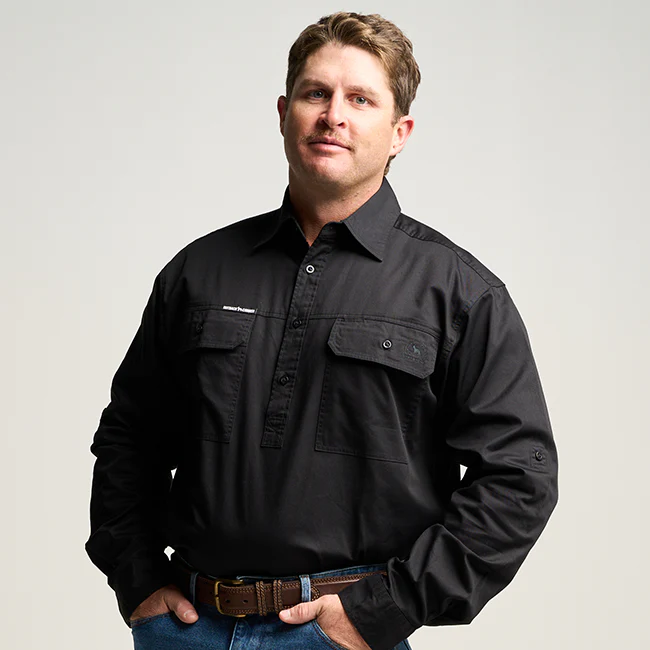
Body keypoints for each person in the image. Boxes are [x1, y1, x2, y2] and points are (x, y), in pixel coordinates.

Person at [85, 11, 559, 650]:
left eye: (360, 99)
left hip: (339, 633)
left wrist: (386, 610)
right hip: (187, 629)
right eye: (316, 93)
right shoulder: (198, 272)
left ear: (399, 133)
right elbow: (129, 437)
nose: (333, 115)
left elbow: (520, 477)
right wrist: (137, 578)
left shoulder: (460, 293)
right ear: (284, 113)